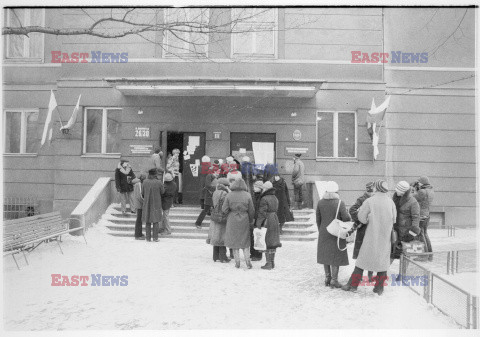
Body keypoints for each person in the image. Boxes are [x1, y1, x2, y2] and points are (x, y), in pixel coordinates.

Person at [342, 180, 397, 296]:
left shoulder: (370, 201)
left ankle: (353, 285)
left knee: (362, 261)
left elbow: (361, 218)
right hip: (385, 237)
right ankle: (379, 288)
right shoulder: (391, 202)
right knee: (382, 263)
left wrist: (368, 220)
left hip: (371, 236)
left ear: (376, 188)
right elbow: (394, 219)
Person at [316, 181, 351, 288]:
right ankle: (334, 280)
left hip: (323, 232)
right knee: (335, 256)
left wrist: (322, 230)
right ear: (336, 191)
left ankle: (327, 278)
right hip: (336, 233)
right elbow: (346, 218)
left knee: (325, 255)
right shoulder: (340, 203)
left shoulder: (320, 202)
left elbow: (318, 219)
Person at [222, 178, 255, 269]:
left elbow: (224, 210)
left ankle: (237, 263)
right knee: (245, 240)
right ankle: (248, 262)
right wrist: (250, 220)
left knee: (234, 241)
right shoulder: (248, 195)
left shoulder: (229, 195)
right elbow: (251, 210)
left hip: (232, 219)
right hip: (244, 219)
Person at [348, 182, 375, 282]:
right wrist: (361, 219)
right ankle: (364, 275)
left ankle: (369, 275)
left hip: (370, 230)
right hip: (364, 230)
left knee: (369, 252)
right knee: (365, 253)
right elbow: (352, 210)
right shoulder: (362, 199)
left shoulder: (373, 199)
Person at [391, 180, 421, 260]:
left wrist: (411, 234)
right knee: (392, 254)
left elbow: (416, 219)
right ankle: (384, 272)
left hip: (406, 234)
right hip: (396, 232)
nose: (396, 192)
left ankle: (404, 272)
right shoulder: (395, 198)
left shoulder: (413, 202)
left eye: (398, 191)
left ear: (404, 192)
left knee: (406, 257)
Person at [255, 181, 282, 270]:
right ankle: (272, 262)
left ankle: (268, 263)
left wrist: (258, 223)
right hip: (274, 218)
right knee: (273, 241)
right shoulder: (275, 197)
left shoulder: (264, 198)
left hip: (267, 220)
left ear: (265, 189)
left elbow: (262, 212)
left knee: (266, 241)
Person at [208, 177, 231, 263]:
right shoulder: (225, 193)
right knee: (222, 236)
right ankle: (223, 257)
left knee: (216, 236)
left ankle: (215, 256)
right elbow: (226, 206)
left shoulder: (215, 192)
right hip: (222, 216)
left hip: (215, 216)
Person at [413, 176, 435, 261]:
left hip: (421, 215)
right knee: (425, 234)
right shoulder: (431, 190)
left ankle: (423, 256)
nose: (418, 183)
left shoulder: (422, 191)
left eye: (419, 182)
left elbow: (412, 197)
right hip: (427, 215)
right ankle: (430, 255)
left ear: (422, 183)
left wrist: (414, 188)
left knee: (420, 234)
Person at [142, 168, 165, 242]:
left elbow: (142, 193)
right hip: (156, 203)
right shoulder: (159, 182)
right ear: (155, 174)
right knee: (156, 221)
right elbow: (163, 192)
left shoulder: (145, 182)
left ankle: (148, 238)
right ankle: (155, 238)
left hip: (147, 203)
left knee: (147, 221)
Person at [195, 160, 218, 229]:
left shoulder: (213, 176)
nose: (218, 173)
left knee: (211, 210)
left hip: (213, 195)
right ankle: (198, 223)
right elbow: (207, 185)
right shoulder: (209, 176)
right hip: (209, 196)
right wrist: (216, 188)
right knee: (205, 210)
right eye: (217, 172)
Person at [250, 180, 264, 261]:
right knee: (253, 237)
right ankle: (253, 254)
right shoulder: (255, 195)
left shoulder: (261, 197)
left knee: (258, 237)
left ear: (260, 188)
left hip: (258, 219)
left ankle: (258, 255)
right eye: (254, 186)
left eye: (256, 187)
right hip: (254, 219)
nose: (254, 188)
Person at [131, 173, 146, 240]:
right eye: (144, 178)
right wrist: (144, 202)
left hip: (139, 204)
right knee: (139, 220)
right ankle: (137, 235)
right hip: (139, 204)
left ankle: (139, 233)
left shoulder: (139, 184)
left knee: (140, 219)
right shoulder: (138, 185)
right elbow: (139, 196)